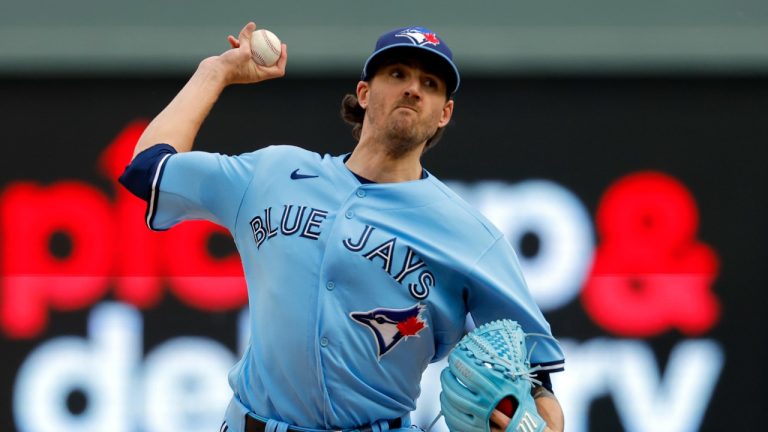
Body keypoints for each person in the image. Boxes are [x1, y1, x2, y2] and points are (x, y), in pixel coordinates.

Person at [120, 22, 565, 432]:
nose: (412, 89)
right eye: (397, 74)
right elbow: (148, 169)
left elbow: (536, 377)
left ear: (444, 113)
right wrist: (214, 72)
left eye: (429, 84)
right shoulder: (274, 173)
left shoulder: (470, 235)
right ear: (365, 93)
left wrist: (537, 421)